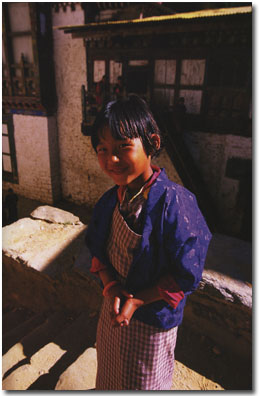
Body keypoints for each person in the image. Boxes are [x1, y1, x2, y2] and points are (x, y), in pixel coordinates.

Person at [85, 94, 212, 390]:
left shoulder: (177, 204)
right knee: (110, 374)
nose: (111, 159)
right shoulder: (108, 202)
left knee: (145, 383)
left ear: (152, 142)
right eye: (102, 149)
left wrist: (137, 300)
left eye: (122, 147)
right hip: (113, 311)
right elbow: (98, 253)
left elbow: (184, 276)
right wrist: (112, 286)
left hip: (152, 323)